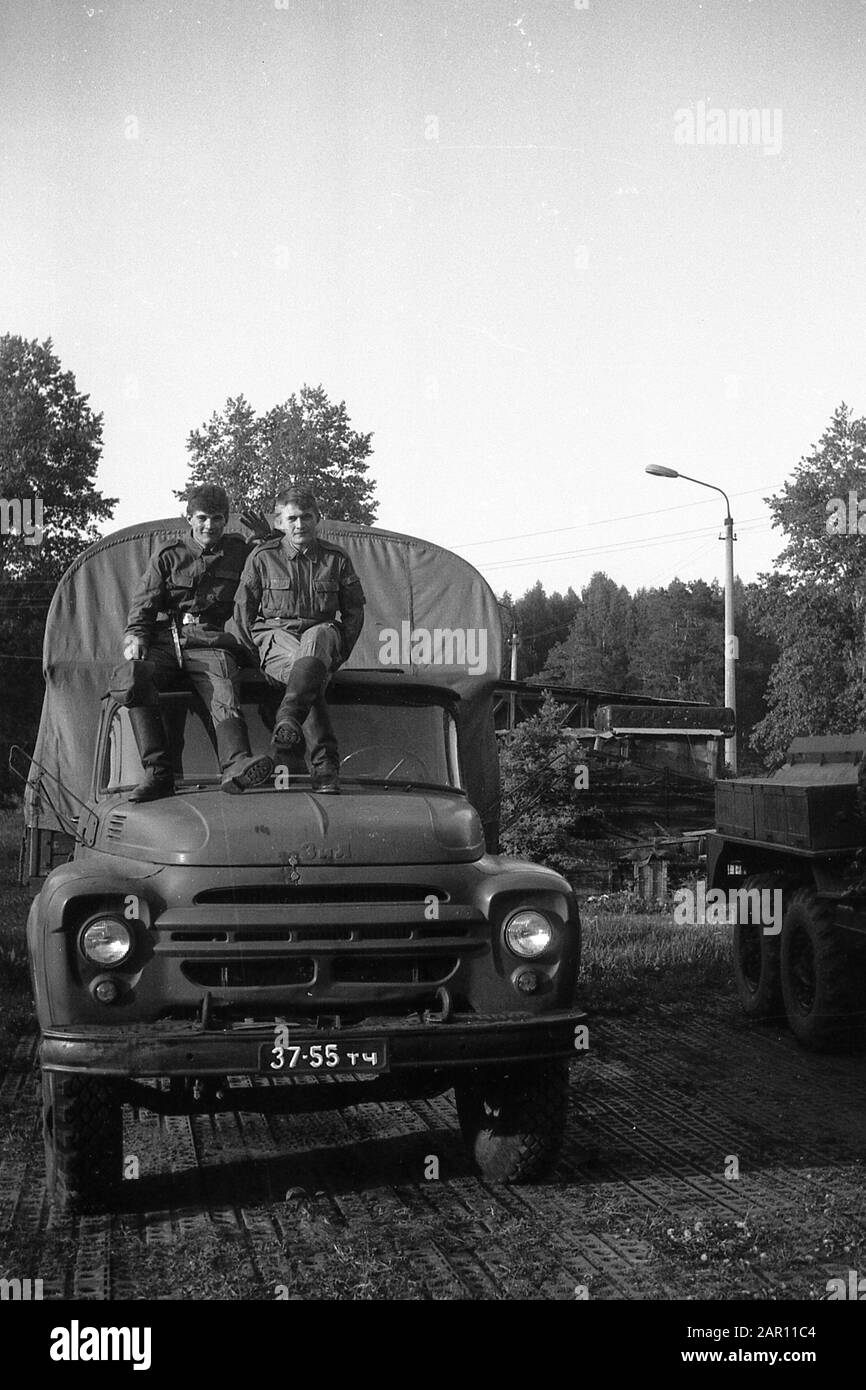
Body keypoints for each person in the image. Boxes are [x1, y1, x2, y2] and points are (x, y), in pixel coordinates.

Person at [110, 484, 274, 802]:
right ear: (189, 518)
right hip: (168, 642)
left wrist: (270, 542)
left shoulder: (240, 552)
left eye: (217, 518)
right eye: (202, 518)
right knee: (132, 676)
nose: (209, 525)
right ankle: (158, 773)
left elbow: (270, 568)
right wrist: (135, 639)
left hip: (212, 642)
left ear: (226, 520)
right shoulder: (169, 556)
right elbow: (143, 605)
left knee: (224, 688)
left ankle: (236, 765)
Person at [234, 485, 366, 794]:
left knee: (318, 640)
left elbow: (354, 611)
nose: (299, 524)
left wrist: (339, 653)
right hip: (275, 637)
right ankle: (324, 765)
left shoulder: (336, 559)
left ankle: (288, 723)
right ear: (278, 522)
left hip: (321, 635)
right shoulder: (262, 557)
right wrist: (253, 662)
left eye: (306, 517)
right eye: (291, 518)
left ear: (318, 519)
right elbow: (242, 612)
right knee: (306, 670)